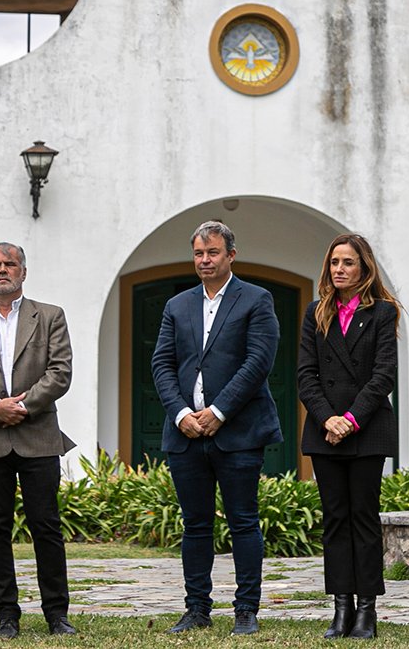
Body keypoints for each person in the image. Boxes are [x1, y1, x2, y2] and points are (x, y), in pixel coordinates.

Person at [152, 220, 282, 636]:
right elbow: (162, 364)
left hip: (239, 431)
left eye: (212, 253)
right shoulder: (177, 305)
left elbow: (258, 361)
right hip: (185, 433)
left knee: (243, 520)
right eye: (198, 254)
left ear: (230, 255)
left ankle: (245, 610)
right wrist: (180, 414)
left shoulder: (257, 299)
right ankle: (196, 609)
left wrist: (219, 410)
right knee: (196, 525)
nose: (204, 260)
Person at [0, 241, 78, 639]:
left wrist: (23, 406)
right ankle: (6, 614)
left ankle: (57, 614)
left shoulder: (50, 316)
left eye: (10, 264)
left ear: (23, 270)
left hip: (38, 434)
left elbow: (60, 371)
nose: (2, 270)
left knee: (46, 526)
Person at [297, 234, 401, 640]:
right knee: (335, 520)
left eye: (348, 263)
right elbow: (305, 375)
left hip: (366, 429)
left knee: (364, 518)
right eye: (334, 263)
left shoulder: (382, 313)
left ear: (364, 268)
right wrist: (328, 419)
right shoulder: (315, 313)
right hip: (325, 432)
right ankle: (341, 608)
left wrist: (351, 419)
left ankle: (367, 611)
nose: (339, 269)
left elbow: (383, 376)